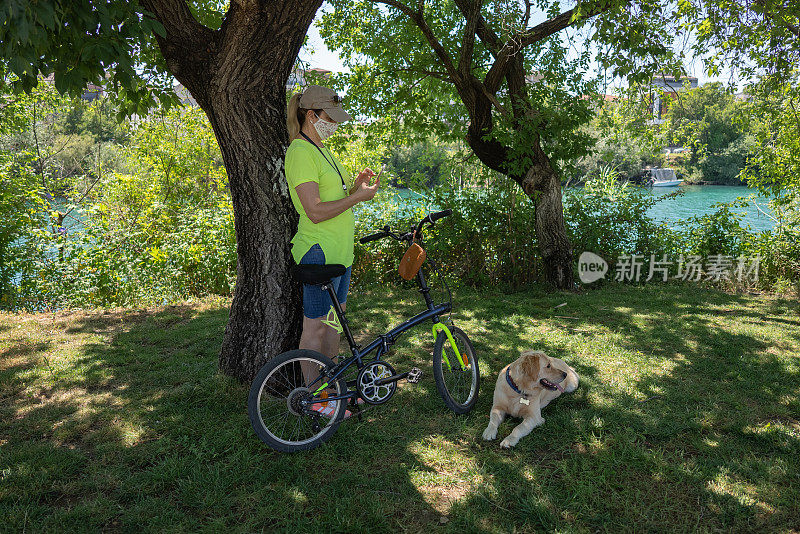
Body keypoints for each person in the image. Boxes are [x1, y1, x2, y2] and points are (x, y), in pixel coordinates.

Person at [285, 85, 381, 416]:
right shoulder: (300, 152)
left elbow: (332, 199)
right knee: (315, 328)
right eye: (330, 117)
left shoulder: (322, 148)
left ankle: (333, 391)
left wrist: (355, 186)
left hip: (340, 254)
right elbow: (314, 210)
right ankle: (313, 400)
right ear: (311, 116)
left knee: (333, 325)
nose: (335, 123)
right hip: (319, 254)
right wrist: (358, 198)